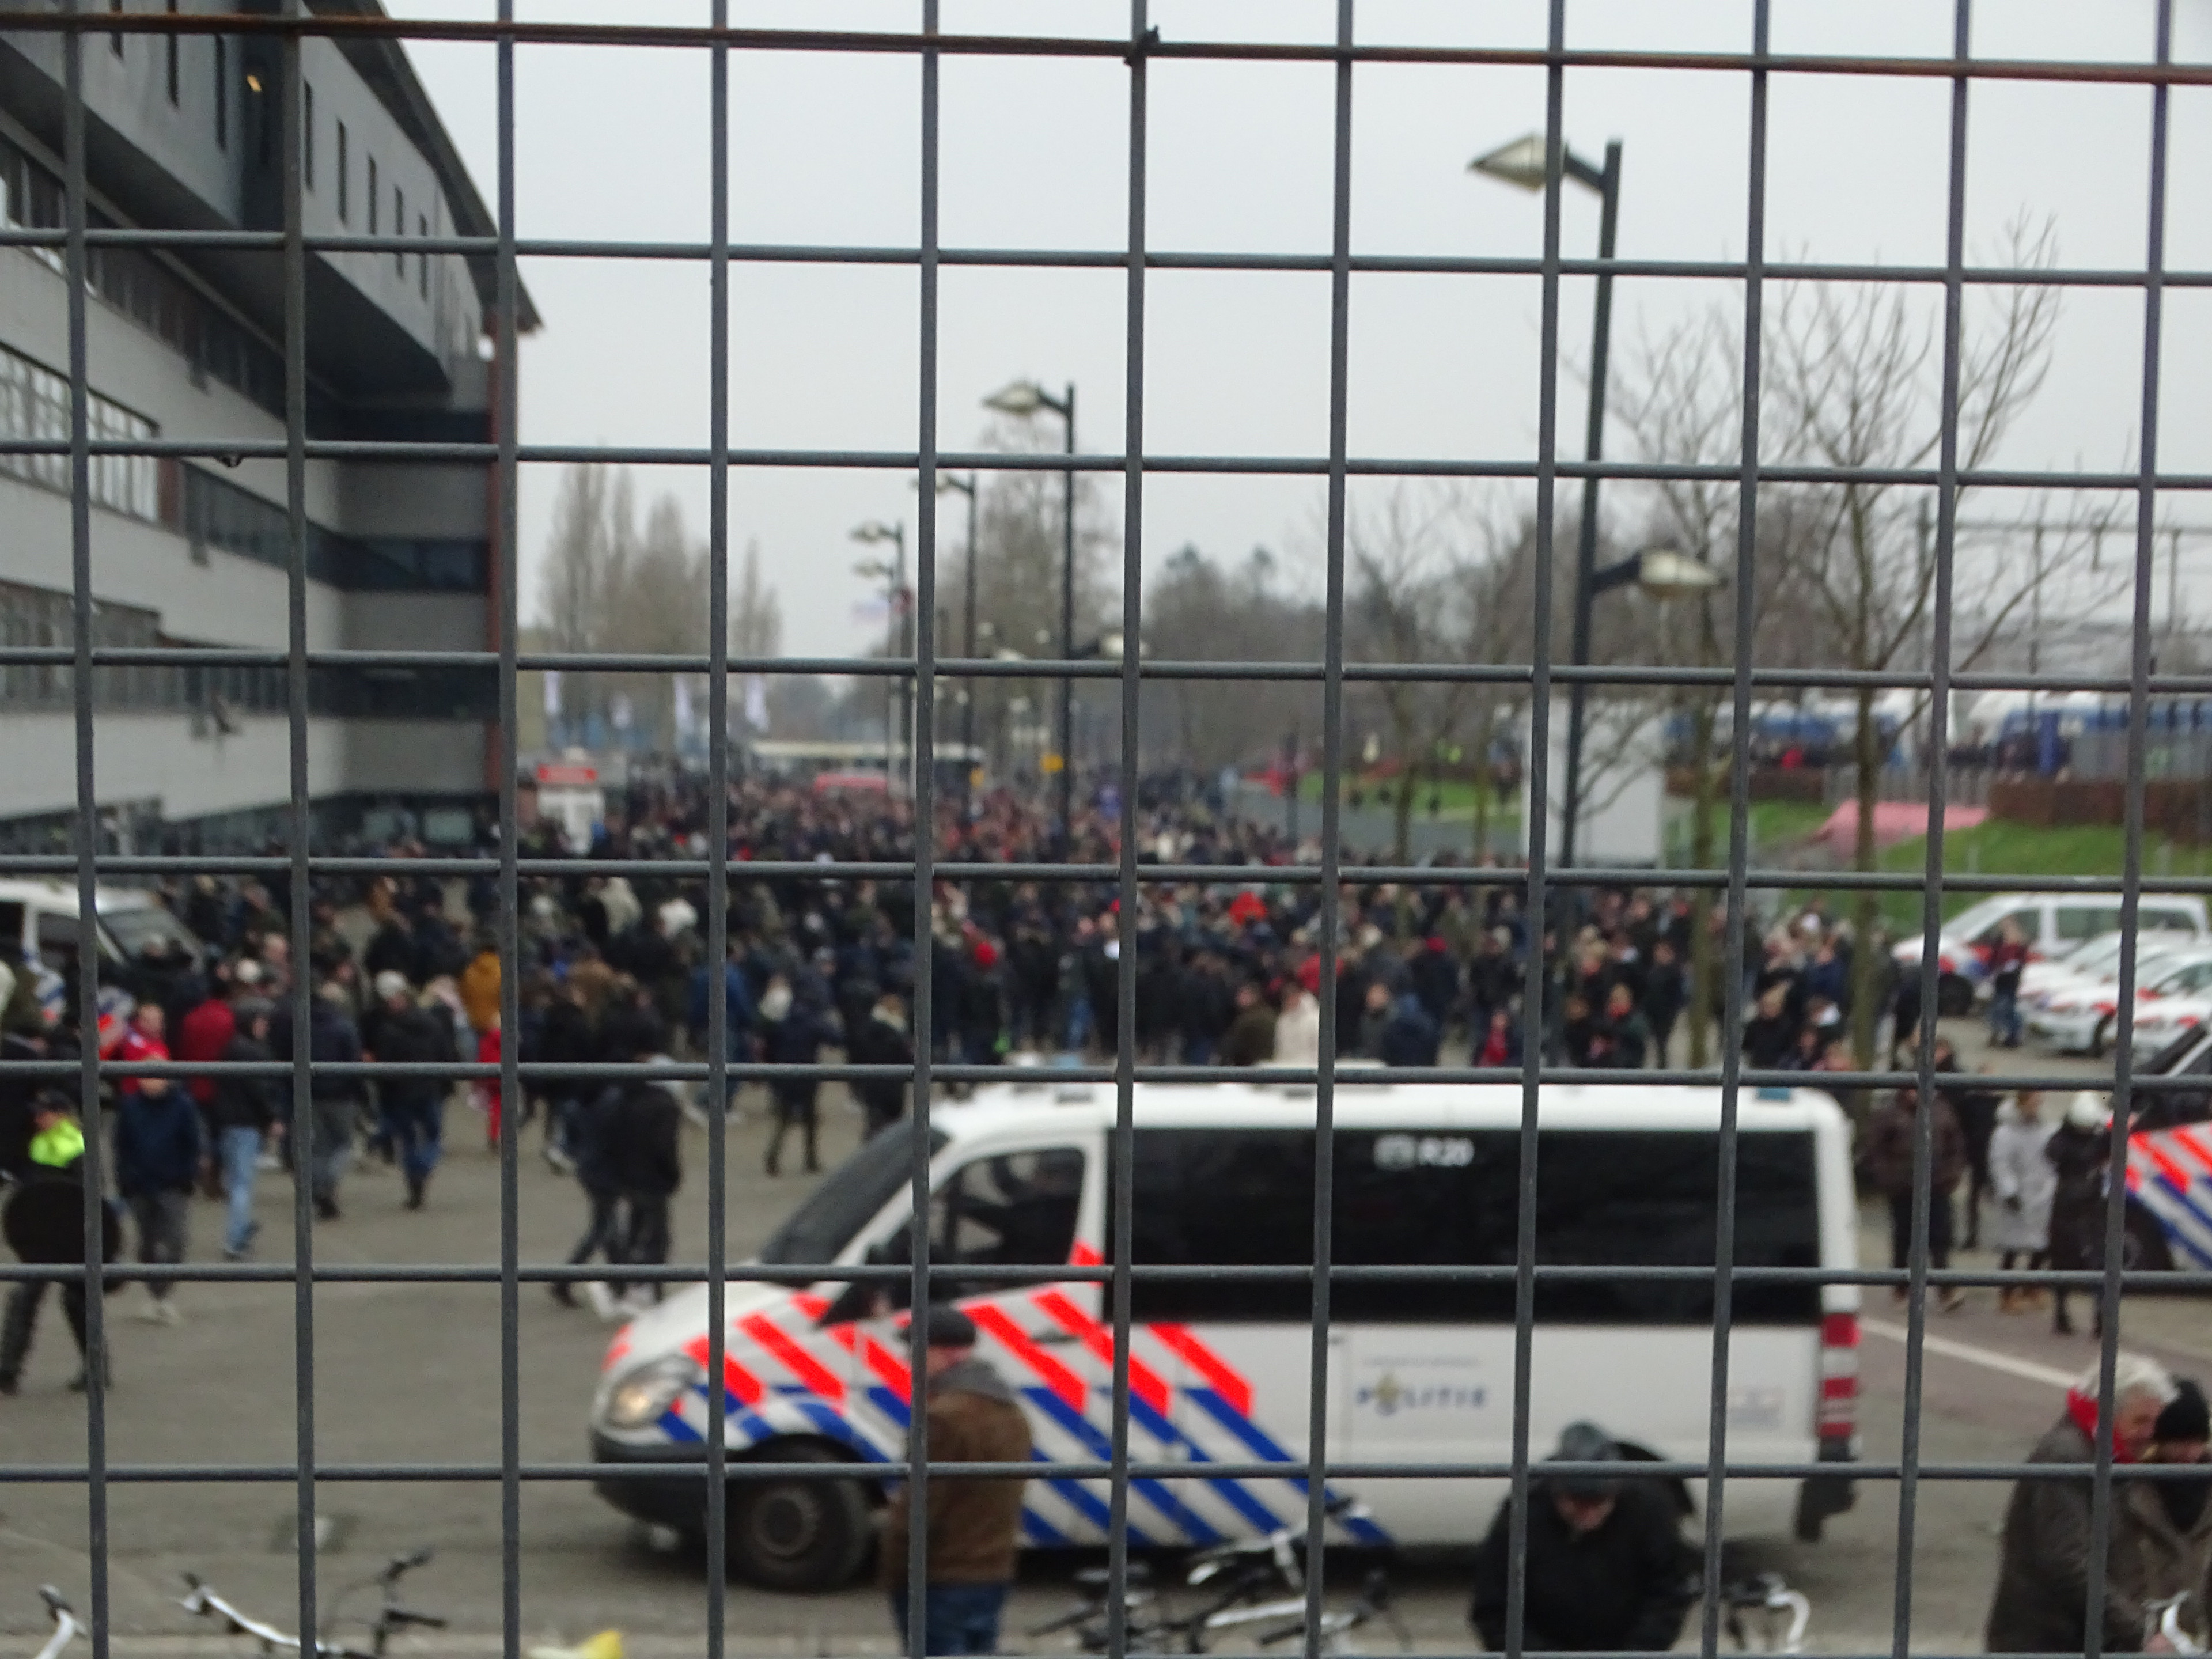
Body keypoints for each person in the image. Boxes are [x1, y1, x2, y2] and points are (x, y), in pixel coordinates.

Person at [1985, 1354, 2177, 1654]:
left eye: (2154, 1421)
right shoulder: (2069, 1458)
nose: (2150, 1433)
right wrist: (2140, 1632)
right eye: (2141, 1421)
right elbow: (2068, 1562)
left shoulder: (2105, 1454)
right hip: (2050, 1641)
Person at [880, 1304, 1034, 1656]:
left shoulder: (943, 1419)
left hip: (939, 1578)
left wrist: (893, 1570)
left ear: (948, 1353)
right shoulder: (1011, 1413)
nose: (910, 1362)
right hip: (993, 1573)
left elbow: (920, 1509)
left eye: (918, 1351)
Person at [1468, 1421, 1692, 1654]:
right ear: (1556, 1491)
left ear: (1615, 1491)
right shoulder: (1523, 1513)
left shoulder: (1647, 1509)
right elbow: (1493, 1609)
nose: (1589, 1513)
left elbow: (1669, 1595)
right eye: (1577, 1502)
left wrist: (1636, 1652)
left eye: (1598, 1501)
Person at [0, 1092, 113, 1394]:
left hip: (71, 1240)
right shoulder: (39, 1143)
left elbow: (89, 1198)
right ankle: (7, 1370)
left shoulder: (77, 1145)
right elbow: (30, 1195)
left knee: (76, 1302)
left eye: (44, 1114)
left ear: (60, 1114)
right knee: (24, 1299)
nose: (38, 1119)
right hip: (42, 1239)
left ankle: (97, 1369)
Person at [2113, 1378, 2212, 1650]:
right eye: (2181, 1442)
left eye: (2199, 1441)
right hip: (2140, 1638)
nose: (2191, 1453)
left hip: (2194, 1639)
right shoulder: (2132, 1487)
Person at [112, 1043, 205, 1325]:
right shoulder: (130, 1108)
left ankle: (163, 1293)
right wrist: (125, 1181)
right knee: (147, 1244)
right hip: (139, 1186)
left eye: (157, 1075)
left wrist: (187, 1177)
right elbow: (121, 1147)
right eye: (147, 1075)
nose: (152, 1081)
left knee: (176, 1242)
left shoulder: (183, 1106)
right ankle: (156, 1295)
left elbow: (193, 1144)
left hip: (172, 1185)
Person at [1860, 1085, 1968, 1312]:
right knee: (1904, 1239)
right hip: (1903, 1187)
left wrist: (1952, 1174)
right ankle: (1901, 1286)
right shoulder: (1890, 1114)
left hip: (1936, 1185)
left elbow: (1956, 1145)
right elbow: (1874, 1148)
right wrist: (1888, 1177)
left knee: (1940, 1238)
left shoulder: (1941, 1111)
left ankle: (1946, 1289)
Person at [367, 972, 456, 1210]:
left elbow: (383, 1067)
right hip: (430, 1089)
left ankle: (414, 1183)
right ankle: (424, 1169)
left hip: (401, 1093)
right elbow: (446, 1055)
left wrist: (383, 1093)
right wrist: (447, 1085)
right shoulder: (433, 1025)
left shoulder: (388, 1030)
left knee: (407, 1141)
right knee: (433, 1137)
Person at [207, 999, 280, 1261]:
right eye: (260, 1021)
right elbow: (259, 1090)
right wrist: (272, 1117)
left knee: (237, 1181)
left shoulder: (231, 1048)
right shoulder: (252, 1052)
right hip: (245, 1124)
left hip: (229, 1122)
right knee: (241, 1184)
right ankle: (235, 1239)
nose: (264, 1026)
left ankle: (240, 1229)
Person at [2047, 1092, 2113, 1338]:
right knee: (2062, 1261)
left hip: (2092, 1209)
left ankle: (2101, 1318)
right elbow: (2052, 1153)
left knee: (2098, 1263)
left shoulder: (2099, 1136)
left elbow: (2112, 1147)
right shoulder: (2061, 1140)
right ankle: (2061, 1313)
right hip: (2066, 1208)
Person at [1990, 1090, 2057, 1314]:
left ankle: (2031, 1285)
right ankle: (2007, 1294)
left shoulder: (2044, 1130)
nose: (2037, 1105)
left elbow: (2050, 1158)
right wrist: (2009, 1191)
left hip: (2041, 1195)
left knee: (2042, 1245)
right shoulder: (2006, 1133)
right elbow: (2000, 1164)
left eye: (2039, 1101)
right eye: (2033, 1101)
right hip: (2018, 1196)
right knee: (2012, 1248)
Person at [847, 991, 915, 1139]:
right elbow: (908, 1058)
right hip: (893, 1087)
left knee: (875, 1124)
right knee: (893, 1129)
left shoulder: (868, 1027)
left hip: (872, 1084)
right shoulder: (898, 1032)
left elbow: (858, 1055)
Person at [1987, 918, 2029, 1050]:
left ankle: (2013, 1035)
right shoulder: (2000, 942)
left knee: (2007, 1008)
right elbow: (1993, 959)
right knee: (2000, 1008)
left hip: (2010, 981)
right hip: (1999, 980)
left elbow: (2020, 963)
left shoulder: (2019, 946)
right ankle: (2002, 1033)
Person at [1219, 981, 1277, 1067]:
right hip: (1270, 1063)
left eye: (1244, 995)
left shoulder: (1247, 1020)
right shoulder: (1270, 1013)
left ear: (1254, 996)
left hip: (1254, 1066)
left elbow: (1235, 1047)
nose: (1238, 998)